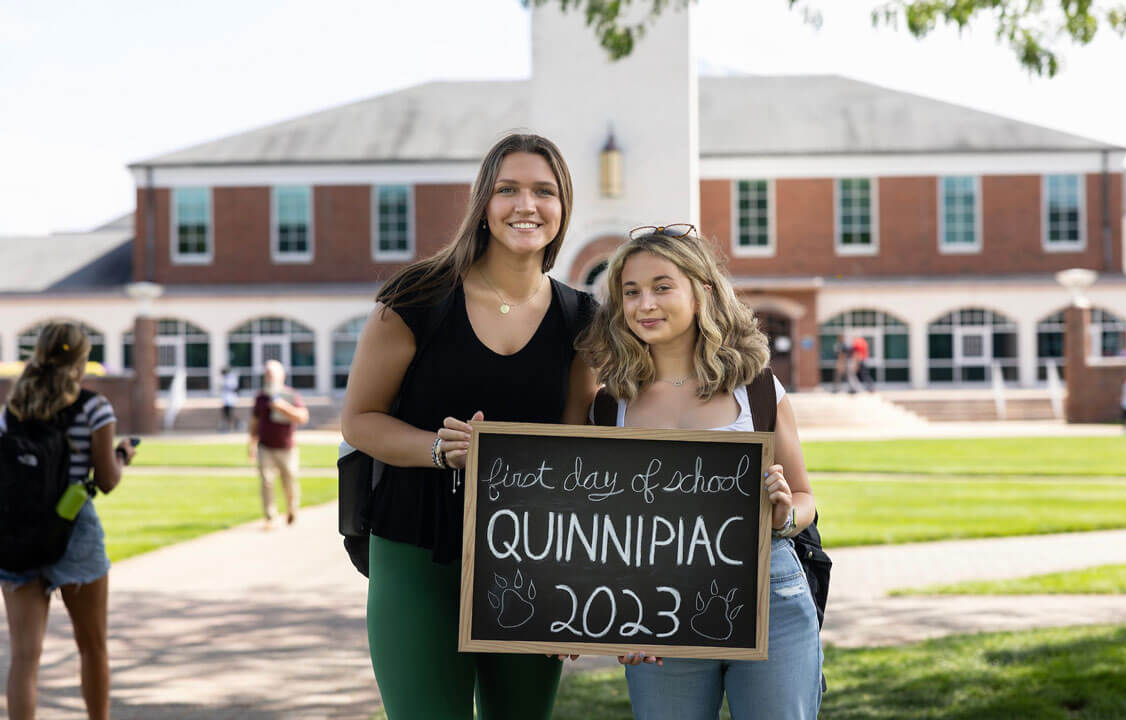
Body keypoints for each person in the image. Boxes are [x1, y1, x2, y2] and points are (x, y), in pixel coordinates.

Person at [339, 133, 597, 719]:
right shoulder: (417, 298)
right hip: (416, 548)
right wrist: (437, 447)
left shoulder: (582, 318)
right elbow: (359, 420)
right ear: (483, 203)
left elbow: (579, 456)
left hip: (533, 558)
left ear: (563, 208)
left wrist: (580, 587)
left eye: (543, 191)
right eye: (507, 189)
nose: (525, 205)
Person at [577, 225, 822, 720]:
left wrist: (782, 517)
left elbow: (803, 497)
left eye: (662, 287)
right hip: (655, 608)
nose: (645, 303)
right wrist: (617, 619)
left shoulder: (756, 390)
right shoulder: (609, 407)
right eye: (631, 292)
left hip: (770, 594)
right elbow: (597, 530)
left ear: (701, 291)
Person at [0, 322, 136, 720]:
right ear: (81, 359)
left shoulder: (12, 410)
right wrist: (123, 455)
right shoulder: (94, 407)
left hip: (17, 533)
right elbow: (107, 480)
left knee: (24, 657)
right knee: (92, 647)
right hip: (74, 528)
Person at [248, 359, 309, 528]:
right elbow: (254, 422)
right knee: (266, 480)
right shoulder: (261, 397)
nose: (269, 377)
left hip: (286, 447)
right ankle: (270, 517)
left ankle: (291, 509)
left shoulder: (291, 395)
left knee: (290, 480)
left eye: (272, 374)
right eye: (267, 374)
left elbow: (303, 417)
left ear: (281, 376)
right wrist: (251, 445)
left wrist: (284, 408)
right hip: (265, 446)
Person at [219, 366, 239, 432]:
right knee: (225, 413)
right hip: (226, 399)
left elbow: (233, 387)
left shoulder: (231, 378)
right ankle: (228, 426)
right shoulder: (225, 378)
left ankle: (234, 426)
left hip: (231, 400)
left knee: (230, 414)